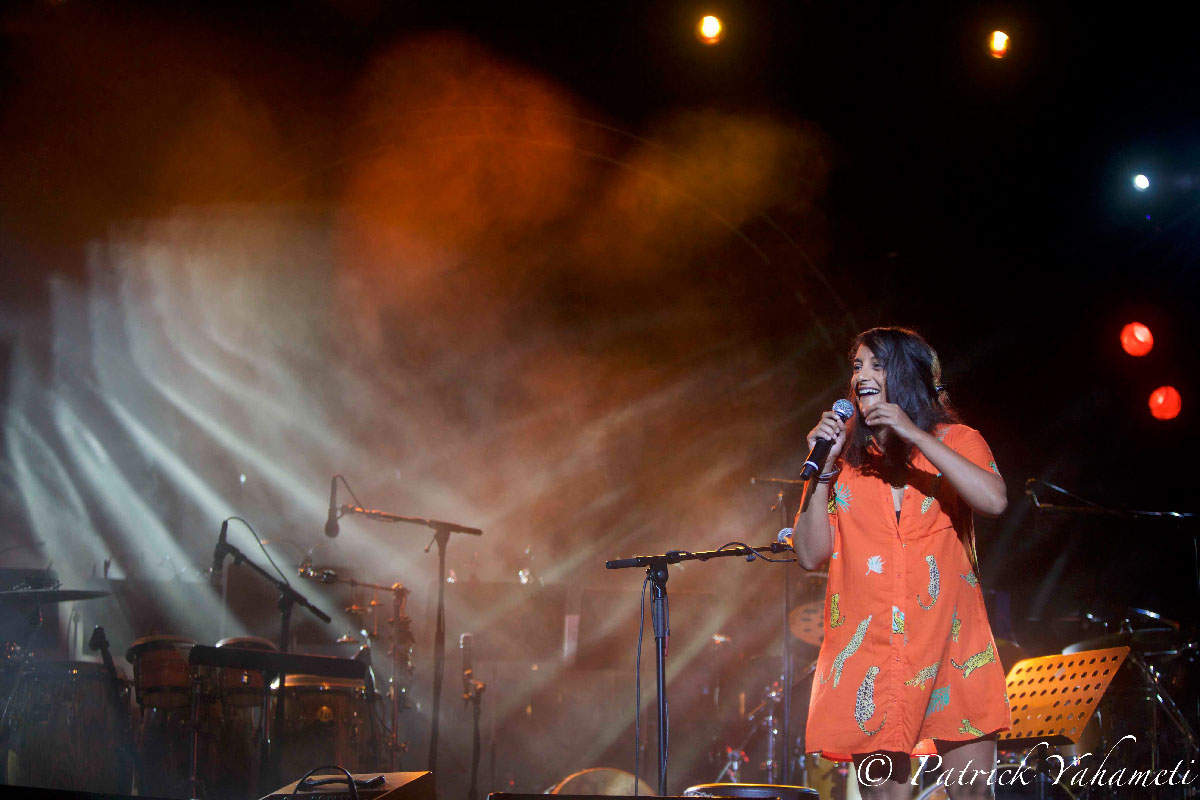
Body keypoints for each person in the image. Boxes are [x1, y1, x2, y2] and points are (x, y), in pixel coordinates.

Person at [791, 327, 1010, 800]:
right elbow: (809, 555)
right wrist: (823, 472)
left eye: (876, 364)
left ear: (909, 374)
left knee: (972, 794)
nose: (862, 375)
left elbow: (993, 501)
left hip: (953, 646)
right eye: (857, 366)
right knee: (885, 798)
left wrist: (913, 433)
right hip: (869, 652)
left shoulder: (959, 439)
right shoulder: (844, 459)